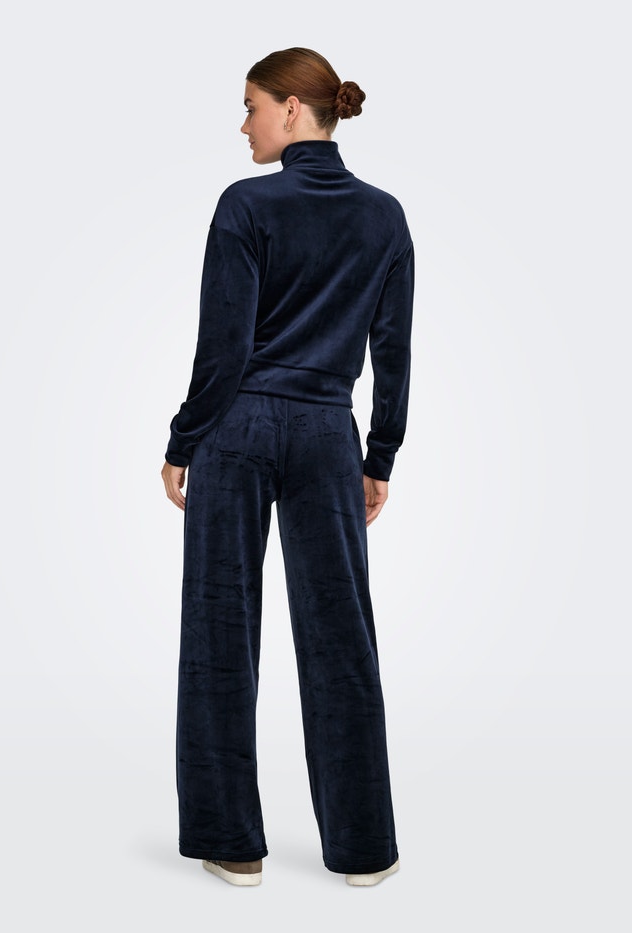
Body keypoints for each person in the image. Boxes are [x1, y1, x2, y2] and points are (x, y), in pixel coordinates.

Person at [161, 47, 415, 887]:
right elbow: (393, 352)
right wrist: (378, 455)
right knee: (342, 635)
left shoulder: (246, 205)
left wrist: (183, 439)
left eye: (251, 107)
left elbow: (224, 346)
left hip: (237, 429)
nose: (244, 126)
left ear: (294, 110)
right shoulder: (385, 216)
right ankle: (364, 850)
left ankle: (232, 843)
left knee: (220, 628)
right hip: (326, 435)